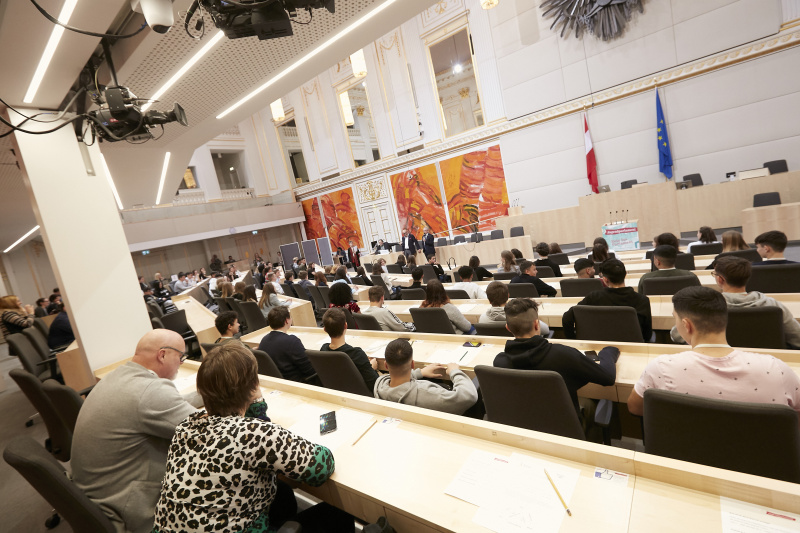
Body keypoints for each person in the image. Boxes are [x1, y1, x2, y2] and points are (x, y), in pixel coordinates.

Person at [151, 343, 340, 533]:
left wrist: (256, 406)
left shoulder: (185, 426)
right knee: (335, 515)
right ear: (252, 386)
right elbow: (320, 468)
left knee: (282, 494)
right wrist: (258, 401)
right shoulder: (256, 434)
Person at [71, 330, 198, 533]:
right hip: (130, 508)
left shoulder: (119, 376)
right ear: (162, 355)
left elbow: (171, 405)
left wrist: (208, 392)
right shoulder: (150, 391)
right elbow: (209, 434)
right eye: (180, 357)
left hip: (101, 495)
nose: (181, 363)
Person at [626, 286, 800, 416]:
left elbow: (635, 407)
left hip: (685, 461)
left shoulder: (661, 368)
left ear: (686, 325)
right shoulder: (777, 369)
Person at [494, 298, 618, 417]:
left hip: (526, 427)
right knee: (589, 406)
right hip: (565, 429)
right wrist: (607, 352)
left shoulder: (500, 362)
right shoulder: (564, 355)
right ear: (537, 325)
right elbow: (607, 377)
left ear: (508, 328)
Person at [673, 256, 800, 348]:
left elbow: (677, 336)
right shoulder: (773, 304)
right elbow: (797, 338)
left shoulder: (703, 306)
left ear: (720, 279)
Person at [374, 339, 478, 415]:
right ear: (412, 364)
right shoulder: (426, 393)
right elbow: (469, 396)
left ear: (386, 365)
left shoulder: (380, 385)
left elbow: (398, 380)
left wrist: (420, 372)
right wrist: (455, 372)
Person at [563, 259, 652, 341]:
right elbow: (647, 335)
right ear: (625, 274)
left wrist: (574, 340)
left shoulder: (593, 297)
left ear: (605, 279)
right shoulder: (642, 300)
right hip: (633, 348)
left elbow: (567, 317)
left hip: (600, 346)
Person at [320, 308, 379, 391]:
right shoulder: (357, 354)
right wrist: (372, 367)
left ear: (325, 329)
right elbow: (374, 383)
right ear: (345, 325)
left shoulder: (323, 350)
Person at [258, 306, 318, 383]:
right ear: (287, 321)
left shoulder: (264, 340)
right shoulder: (292, 341)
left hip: (277, 382)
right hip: (298, 383)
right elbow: (309, 370)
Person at [479, 281, 550, 335]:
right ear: (508, 296)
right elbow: (546, 330)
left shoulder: (482, 319)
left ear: (489, 300)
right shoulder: (521, 315)